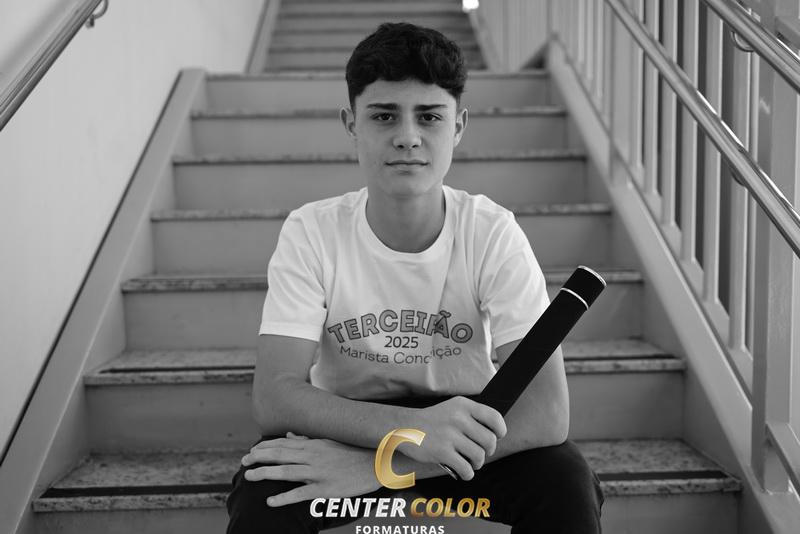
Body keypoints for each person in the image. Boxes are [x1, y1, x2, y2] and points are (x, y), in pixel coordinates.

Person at [226, 22, 603, 534]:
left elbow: (547, 413)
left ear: (459, 126)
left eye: (429, 116)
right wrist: (408, 433)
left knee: (565, 483)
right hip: (348, 425)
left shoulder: (491, 232)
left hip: (463, 432)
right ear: (351, 124)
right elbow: (274, 395)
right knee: (263, 493)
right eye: (384, 116)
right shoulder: (312, 231)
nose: (407, 137)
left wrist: (387, 465)